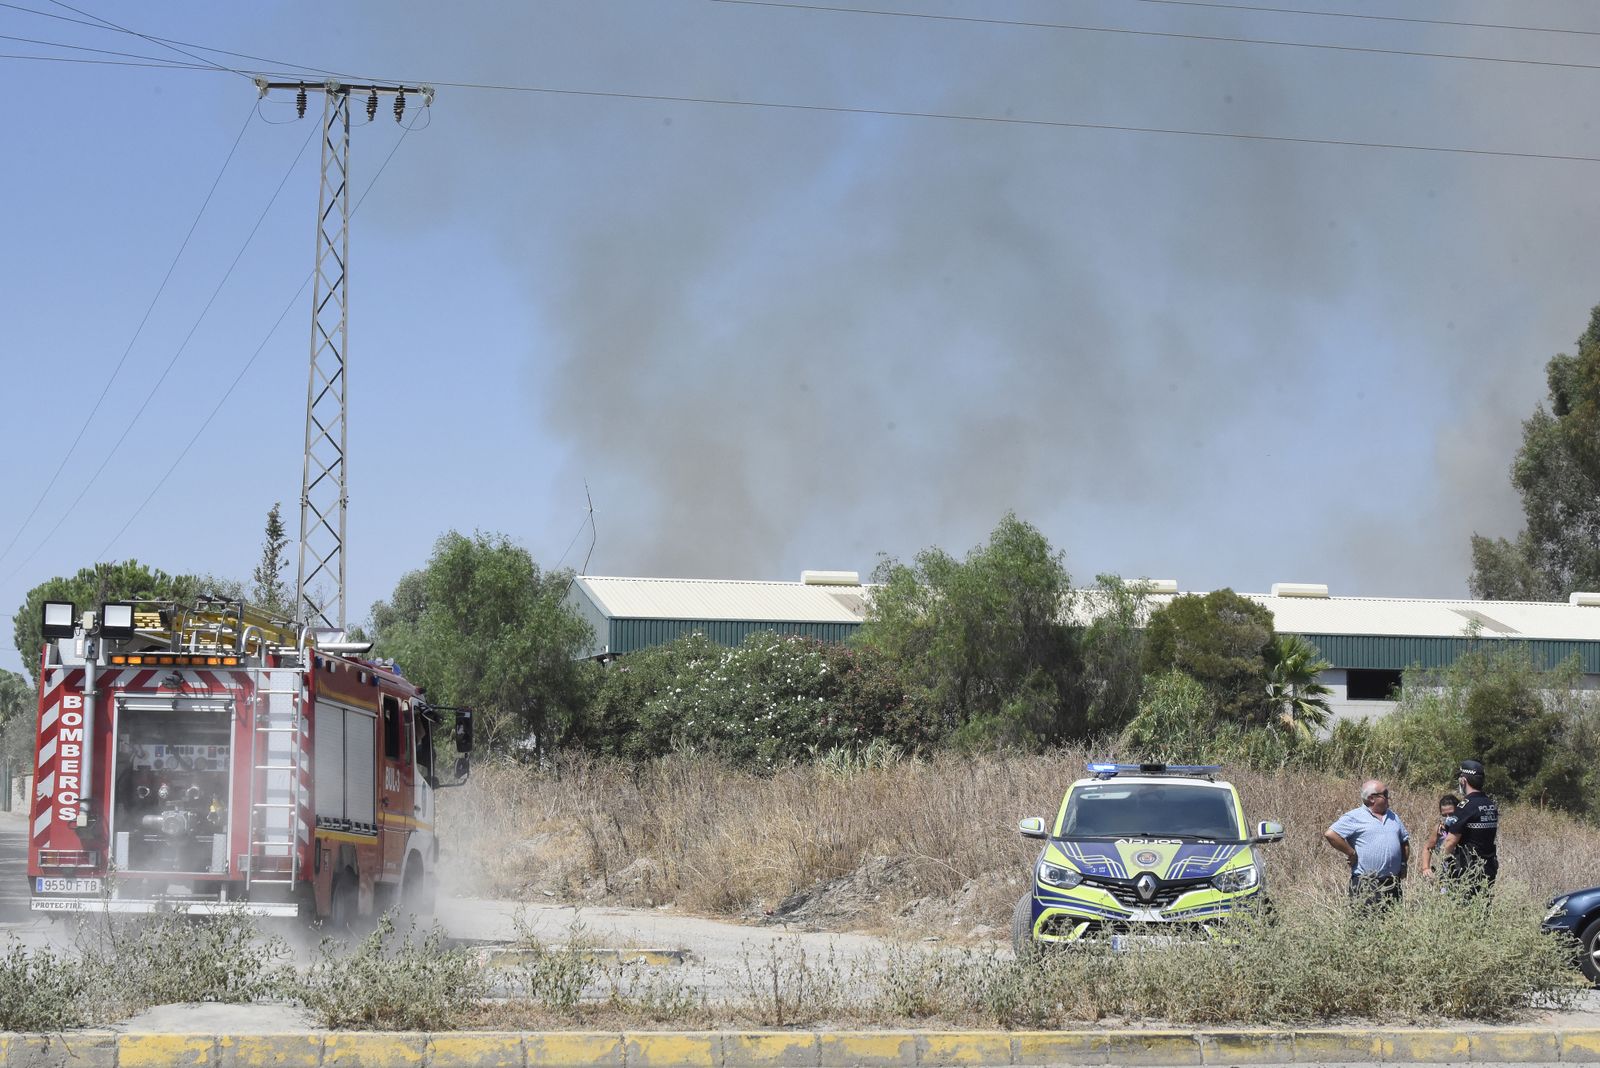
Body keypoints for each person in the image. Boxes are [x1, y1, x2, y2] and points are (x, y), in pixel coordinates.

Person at [1323, 779, 1410, 906]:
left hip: (1393, 884)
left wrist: (1403, 864)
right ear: (1371, 798)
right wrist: (1351, 853)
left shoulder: (1393, 816)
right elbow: (1331, 834)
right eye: (1385, 794)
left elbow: (1404, 841)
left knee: (1394, 923)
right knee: (1365, 923)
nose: (1388, 797)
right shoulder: (1355, 817)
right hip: (1366, 884)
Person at [1439, 758, 1499, 890]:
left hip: (1468, 871)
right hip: (1488, 869)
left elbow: (1450, 841)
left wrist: (1441, 865)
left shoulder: (1465, 806)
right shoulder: (1490, 805)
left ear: (1463, 780)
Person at [1419, 794, 1459, 881]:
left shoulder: (1464, 827)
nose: (1448, 818)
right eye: (1444, 815)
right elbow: (1428, 848)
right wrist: (1426, 868)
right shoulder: (1440, 829)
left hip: (1463, 869)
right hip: (1445, 871)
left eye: (1451, 814)